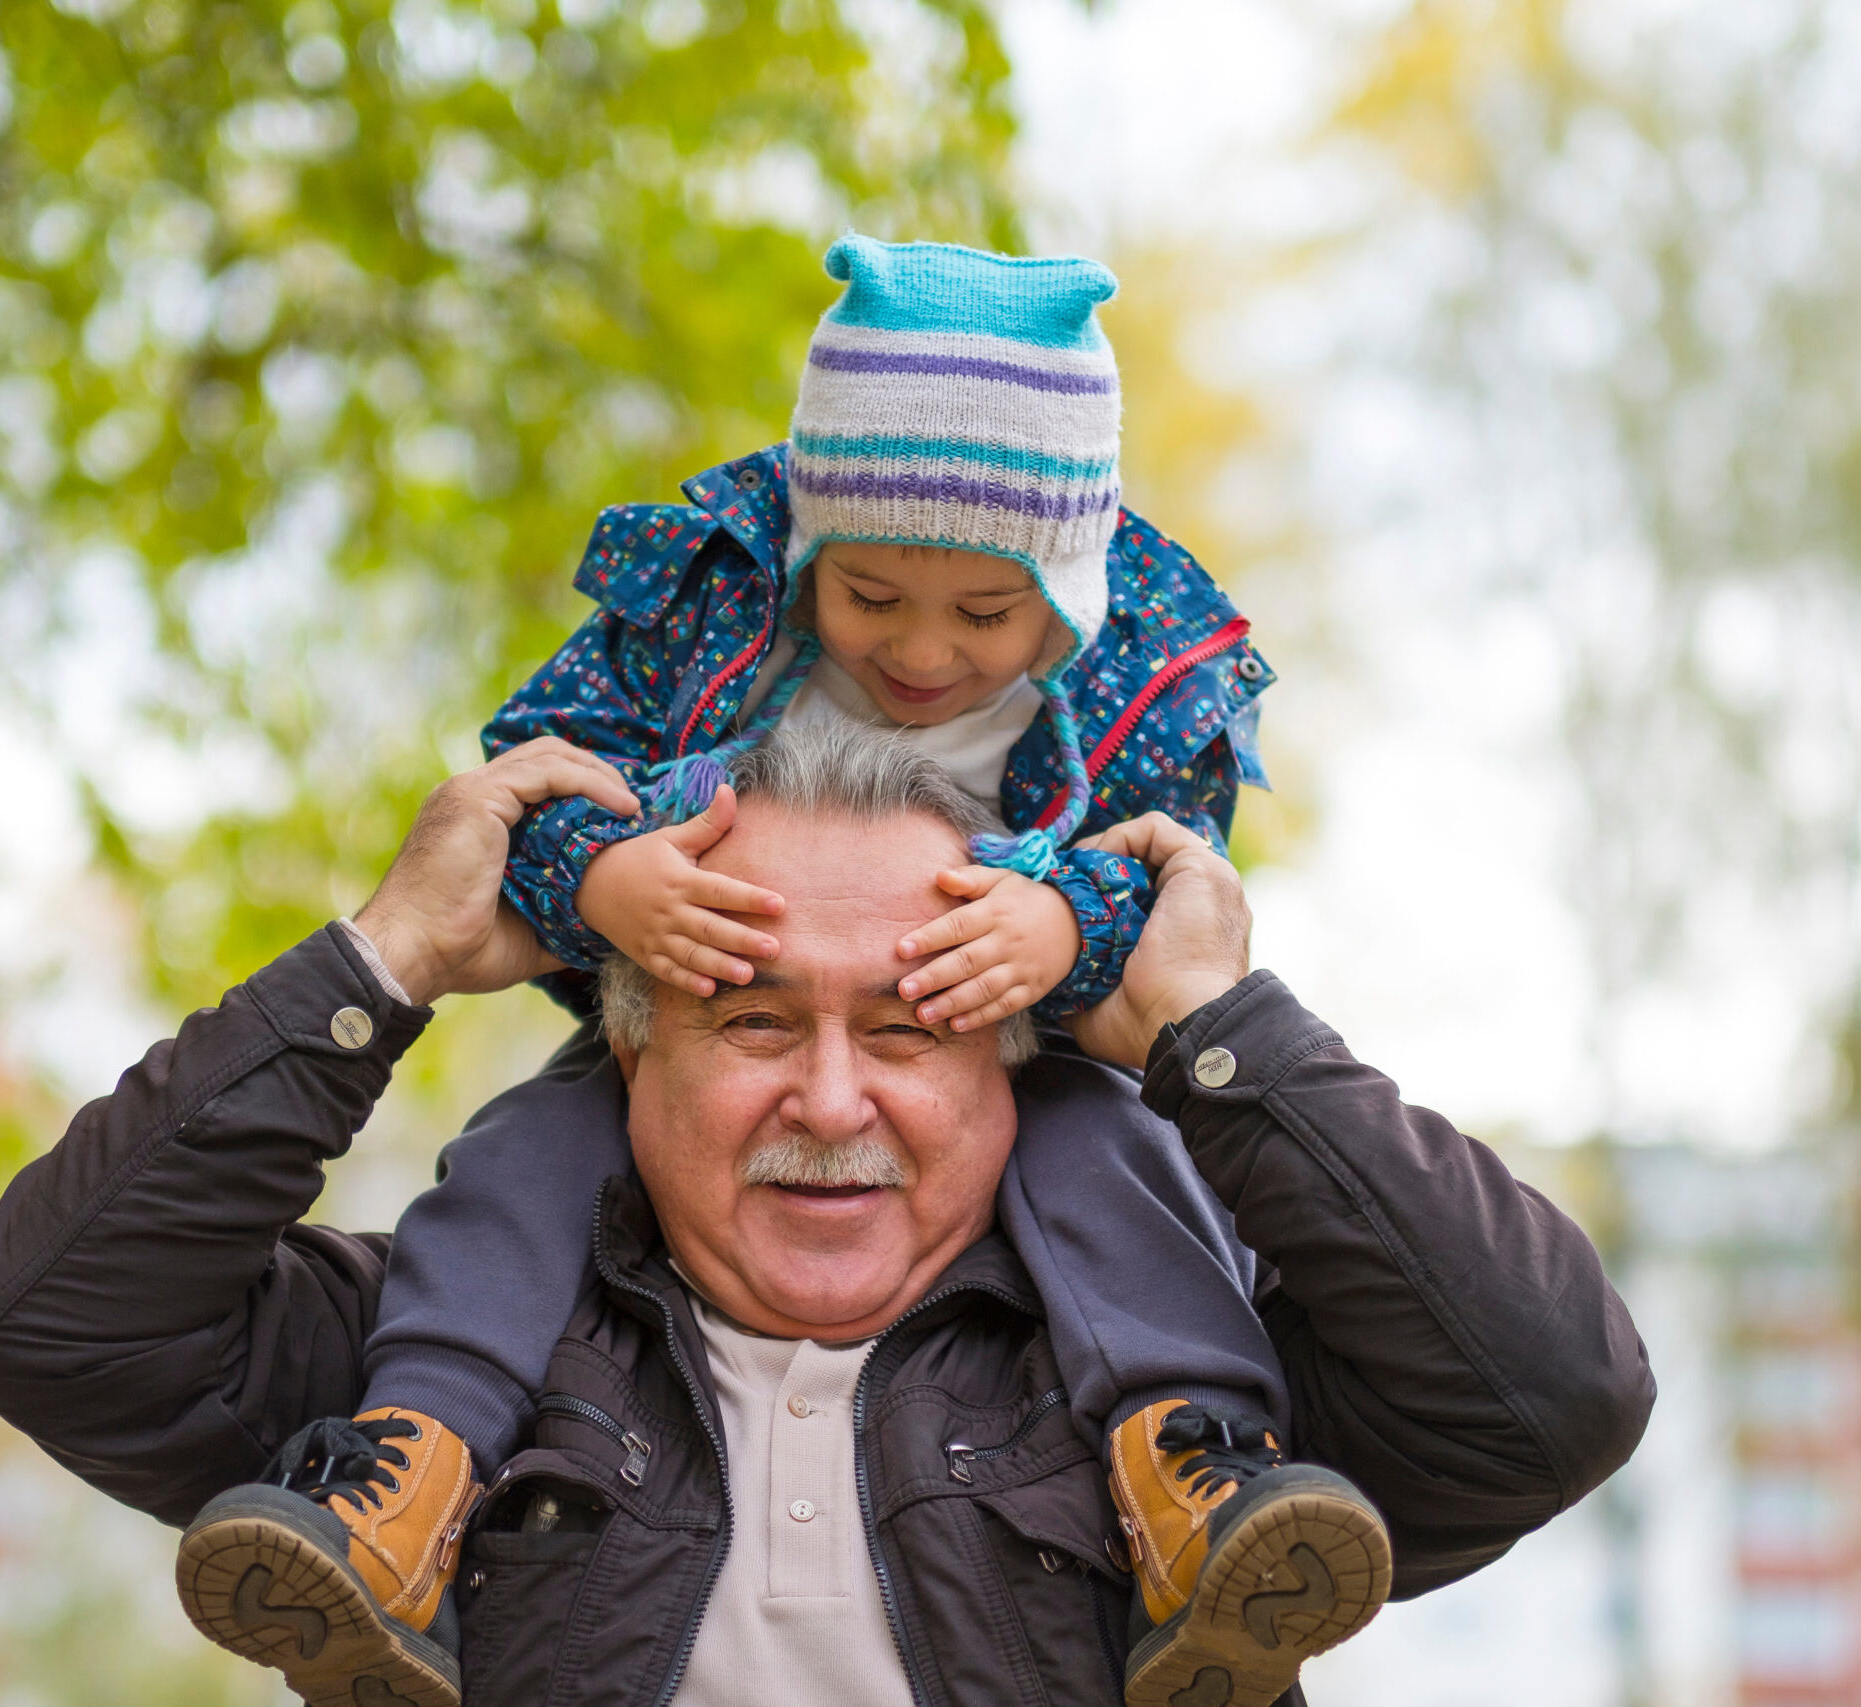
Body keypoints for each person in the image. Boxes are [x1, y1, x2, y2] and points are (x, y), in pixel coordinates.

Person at [0, 726, 1655, 1707]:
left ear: (1017, 1070)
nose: (832, 1103)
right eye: (754, 1021)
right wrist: (380, 966)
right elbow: (51, 1321)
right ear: (627, 1058)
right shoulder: (429, 1374)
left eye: (909, 1030)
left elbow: (1551, 1393)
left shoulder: (1202, 1410)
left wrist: (1217, 1037)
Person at [259, 235, 1312, 1701]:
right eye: (871, 600)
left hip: (1005, 1055)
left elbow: (1168, 873)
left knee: (1121, 1175)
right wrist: (607, 876)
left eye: (985, 617)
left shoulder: (1133, 672)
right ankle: (416, 1470)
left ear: (1064, 598)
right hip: (700, 1018)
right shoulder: (710, 608)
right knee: (514, 1164)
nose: (925, 652)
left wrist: (1067, 923)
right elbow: (545, 769)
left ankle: (1196, 1478)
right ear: (814, 554)